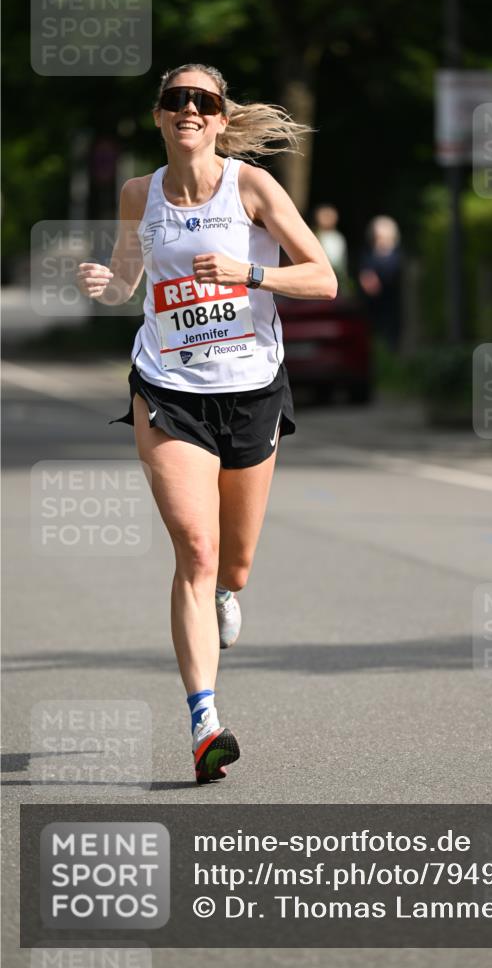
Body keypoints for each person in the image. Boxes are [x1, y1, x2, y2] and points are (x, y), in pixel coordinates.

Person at [77, 64, 337, 785]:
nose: (188, 109)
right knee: (195, 547)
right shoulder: (139, 193)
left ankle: (226, 592)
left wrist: (248, 275)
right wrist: (107, 282)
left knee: (234, 564)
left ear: (221, 118)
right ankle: (204, 721)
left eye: (204, 101)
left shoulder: (251, 188)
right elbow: (132, 277)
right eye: (175, 99)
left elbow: (323, 278)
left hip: (251, 388)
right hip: (169, 388)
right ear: (159, 117)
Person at [358, 215, 403, 351]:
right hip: (373, 305)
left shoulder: (399, 255)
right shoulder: (367, 254)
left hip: (393, 304)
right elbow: (364, 275)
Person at [312, 203, 347, 287]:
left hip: (333, 276)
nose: (326, 219)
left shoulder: (338, 238)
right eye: (324, 216)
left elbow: (339, 262)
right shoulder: (313, 235)